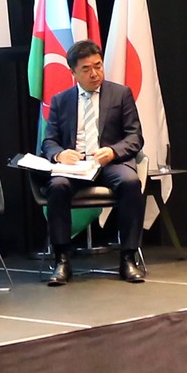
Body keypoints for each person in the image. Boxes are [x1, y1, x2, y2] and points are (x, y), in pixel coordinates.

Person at [40, 39, 146, 286]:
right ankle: (62, 259)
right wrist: (60, 155)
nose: (94, 73)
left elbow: (135, 137)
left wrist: (113, 151)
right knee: (57, 187)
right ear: (73, 72)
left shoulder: (121, 94)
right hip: (76, 166)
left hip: (109, 163)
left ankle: (128, 258)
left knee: (131, 182)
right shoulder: (61, 100)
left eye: (98, 66)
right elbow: (49, 141)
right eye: (86, 69)